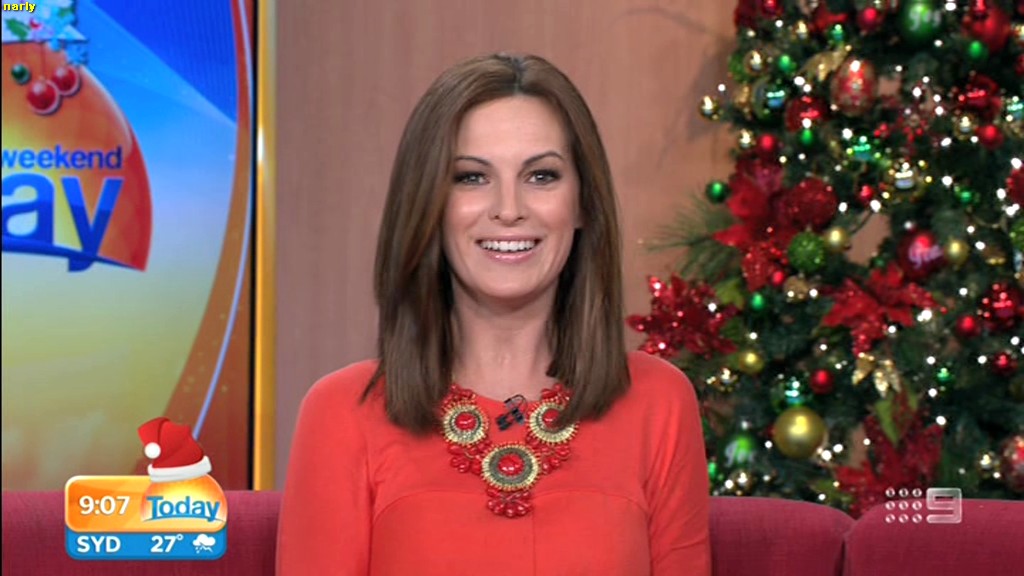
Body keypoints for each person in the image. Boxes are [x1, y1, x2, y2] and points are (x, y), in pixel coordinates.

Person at [277, 52, 710, 576]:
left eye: (541, 175)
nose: (509, 209)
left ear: (583, 204)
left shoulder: (659, 402)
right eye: (471, 177)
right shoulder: (342, 413)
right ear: (429, 206)